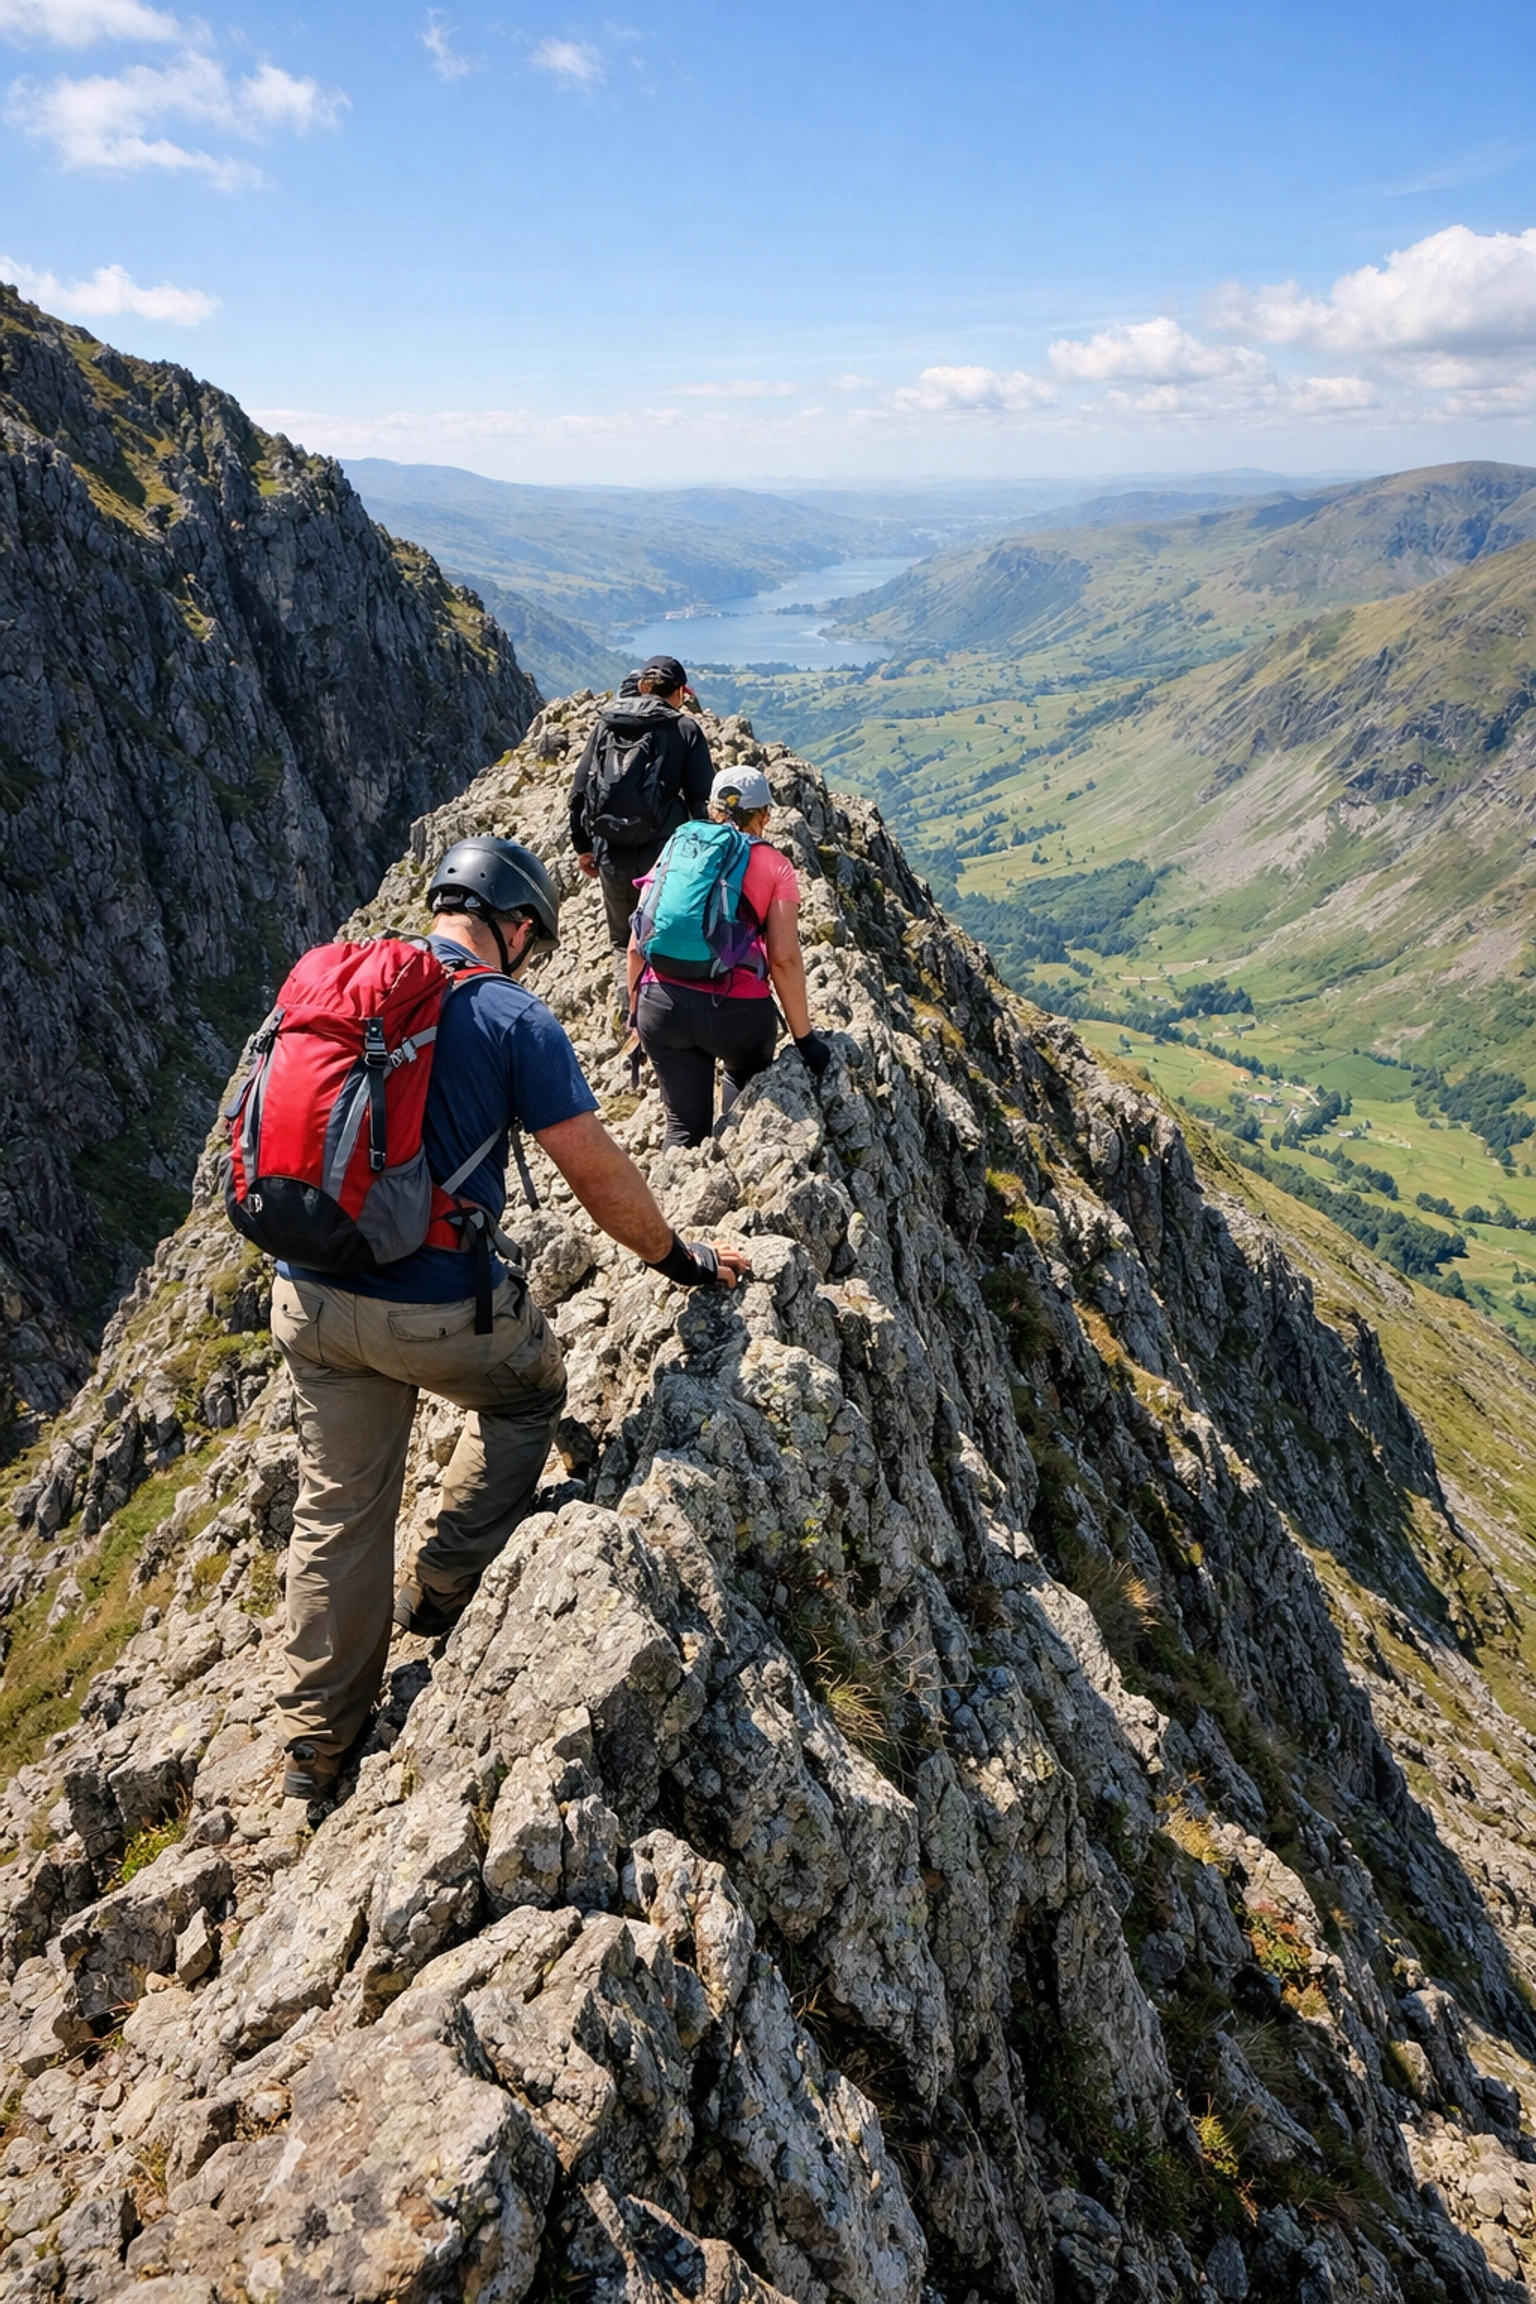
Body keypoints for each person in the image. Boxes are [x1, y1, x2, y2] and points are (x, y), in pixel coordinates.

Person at [269, 835, 751, 1800]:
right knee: (531, 1396)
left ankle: (316, 1750)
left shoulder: (339, 981)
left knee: (336, 1510)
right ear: (518, 926)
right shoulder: (508, 1015)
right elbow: (596, 1174)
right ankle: (444, 1583)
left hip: (309, 1295)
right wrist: (681, 1260)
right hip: (437, 1308)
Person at [629, 765, 833, 1150]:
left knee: (682, 1131)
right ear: (765, 815)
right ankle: (735, 1147)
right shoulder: (776, 866)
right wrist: (806, 1041)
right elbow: (784, 959)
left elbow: (638, 937)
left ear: (712, 809)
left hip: (661, 1006)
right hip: (735, 1015)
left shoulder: (680, 843)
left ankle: (671, 1201)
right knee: (743, 1085)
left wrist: (635, 1014)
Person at [568, 654, 714, 1015]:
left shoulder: (606, 723)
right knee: (666, 934)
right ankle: (669, 1014)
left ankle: (633, 1014)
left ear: (645, 685)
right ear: (680, 691)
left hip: (611, 853)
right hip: (664, 857)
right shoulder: (684, 729)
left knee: (623, 942)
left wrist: (583, 848)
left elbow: (578, 792)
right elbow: (701, 802)